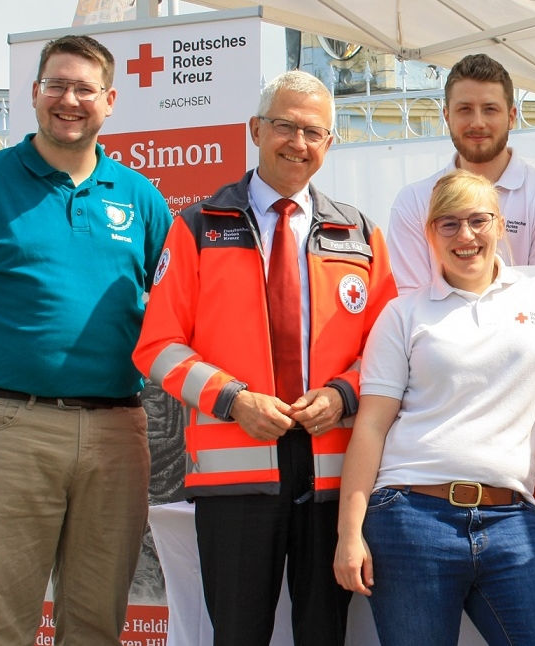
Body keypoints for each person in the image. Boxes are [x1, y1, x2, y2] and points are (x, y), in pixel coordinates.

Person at [0, 35, 170, 644]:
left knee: (97, 626)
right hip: (6, 429)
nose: (69, 100)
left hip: (115, 432)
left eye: (85, 89)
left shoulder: (141, 199)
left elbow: (168, 311)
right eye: (56, 85)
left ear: (110, 101)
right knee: (1, 627)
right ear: (35, 92)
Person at [132, 70, 396, 645]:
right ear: (255, 129)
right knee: (237, 635)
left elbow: (389, 353)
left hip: (333, 478)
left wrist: (343, 395)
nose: (298, 143)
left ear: (329, 143)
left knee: (324, 636)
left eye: (313, 132)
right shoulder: (198, 226)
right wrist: (234, 400)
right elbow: (157, 347)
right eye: (285, 126)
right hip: (236, 479)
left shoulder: (359, 235)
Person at [333, 169, 535, 645]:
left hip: (512, 518)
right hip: (410, 516)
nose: (466, 236)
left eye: (478, 220)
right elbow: (370, 427)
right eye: (449, 224)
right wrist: (349, 533)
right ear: (430, 234)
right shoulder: (403, 313)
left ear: (500, 224)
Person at [388, 53, 535, 303]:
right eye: (465, 110)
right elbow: (412, 308)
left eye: (490, 109)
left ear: (511, 116)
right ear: (447, 116)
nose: (478, 122)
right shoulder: (413, 202)